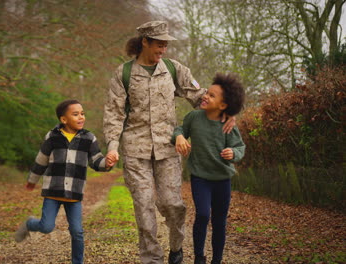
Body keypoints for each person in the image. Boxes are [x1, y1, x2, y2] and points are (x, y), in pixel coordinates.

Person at [103, 21, 235, 264]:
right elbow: (114, 114)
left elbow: (201, 98)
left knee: (173, 205)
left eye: (165, 45)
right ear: (145, 42)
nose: (163, 50)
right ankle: (151, 258)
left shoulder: (174, 70)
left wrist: (228, 111)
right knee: (144, 209)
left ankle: (176, 248)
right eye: (159, 45)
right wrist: (112, 148)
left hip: (168, 148)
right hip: (135, 150)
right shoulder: (123, 74)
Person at [14, 99, 116, 264]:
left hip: (74, 193)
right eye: (75, 114)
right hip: (53, 191)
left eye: (82, 114)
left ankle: (77, 262)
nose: (81, 117)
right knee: (46, 227)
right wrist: (32, 180)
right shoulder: (52, 136)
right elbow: (41, 160)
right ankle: (29, 224)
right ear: (63, 119)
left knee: (77, 231)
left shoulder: (89, 138)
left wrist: (107, 163)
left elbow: (96, 160)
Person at [172, 73, 246, 264]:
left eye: (212, 95)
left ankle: (217, 260)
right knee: (203, 214)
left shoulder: (228, 125)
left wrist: (233, 153)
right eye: (207, 92)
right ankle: (199, 257)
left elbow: (240, 147)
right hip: (200, 177)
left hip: (222, 179)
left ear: (223, 105)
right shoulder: (194, 117)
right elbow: (180, 130)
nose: (205, 96)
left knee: (219, 221)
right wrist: (179, 137)